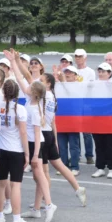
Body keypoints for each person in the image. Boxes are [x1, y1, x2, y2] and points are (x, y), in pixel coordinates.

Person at [5, 50, 57, 222]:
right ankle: (37, 208)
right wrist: (14, 62)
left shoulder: (35, 108)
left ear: (33, 92)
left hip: (36, 143)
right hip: (34, 141)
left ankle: (49, 204)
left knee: (39, 174)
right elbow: (21, 78)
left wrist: (34, 154)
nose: (26, 87)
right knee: (38, 175)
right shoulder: (34, 99)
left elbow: (36, 134)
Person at [39, 73, 86, 206]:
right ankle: (78, 188)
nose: (38, 82)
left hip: (43, 135)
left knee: (44, 171)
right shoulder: (53, 97)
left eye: (41, 80)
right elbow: (53, 121)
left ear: (48, 84)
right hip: (49, 134)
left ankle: (44, 200)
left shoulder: (44, 96)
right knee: (59, 165)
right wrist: (55, 139)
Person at [0, 79, 33, 222]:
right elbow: (23, 132)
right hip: (16, 151)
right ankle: (17, 219)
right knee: (16, 185)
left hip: (0, 151)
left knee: (0, 185)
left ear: (4, 92)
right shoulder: (20, 109)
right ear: (17, 93)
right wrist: (27, 154)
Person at [56, 66, 81, 175]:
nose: (68, 74)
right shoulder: (59, 86)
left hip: (73, 120)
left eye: (70, 73)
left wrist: (63, 82)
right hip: (61, 118)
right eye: (66, 72)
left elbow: (71, 94)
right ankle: (63, 166)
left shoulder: (78, 86)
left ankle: (75, 167)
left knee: (73, 145)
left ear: (76, 76)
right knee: (61, 145)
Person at [74, 49, 95, 165]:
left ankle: (89, 155)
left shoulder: (90, 72)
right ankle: (77, 155)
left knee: (87, 132)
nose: (78, 58)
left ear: (85, 58)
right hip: (75, 104)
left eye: (80, 56)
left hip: (86, 104)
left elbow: (90, 88)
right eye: (76, 56)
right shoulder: (72, 70)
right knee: (75, 131)